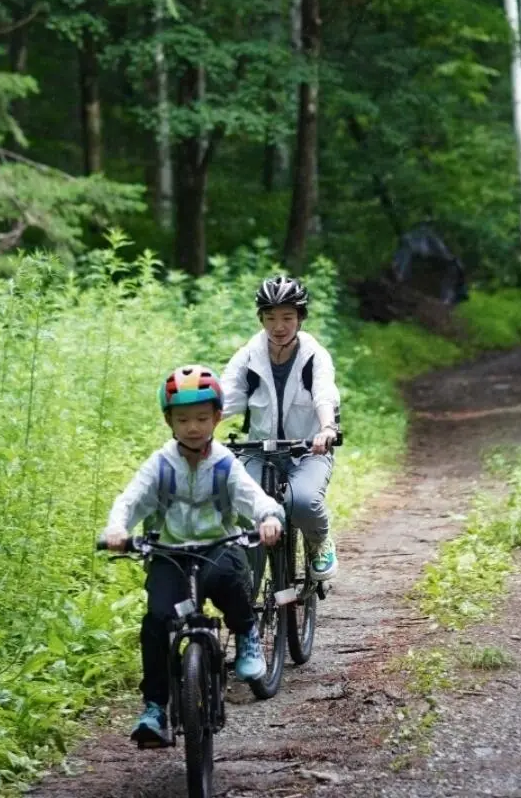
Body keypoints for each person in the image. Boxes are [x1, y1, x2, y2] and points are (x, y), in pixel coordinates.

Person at [102, 365, 284, 747]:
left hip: (217, 548)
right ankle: (154, 707)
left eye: (202, 418)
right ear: (169, 420)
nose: (193, 427)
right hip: (171, 555)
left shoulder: (224, 463)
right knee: (157, 621)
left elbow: (254, 498)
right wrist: (118, 529)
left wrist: (268, 517)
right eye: (182, 419)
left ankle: (247, 633)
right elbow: (130, 499)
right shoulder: (160, 464)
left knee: (231, 579)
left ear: (218, 417)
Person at [220, 275, 340, 582]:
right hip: (260, 450)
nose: (279, 326)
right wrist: (197, 429)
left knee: (301, 502)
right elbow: (226, 398)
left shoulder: (315, 356)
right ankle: (249, 585)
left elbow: (324, 395)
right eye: (270, 318)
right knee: (249, 508)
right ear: (260, 318)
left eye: (287, 317)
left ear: (300, 318)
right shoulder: (248, 356)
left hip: (309, 450)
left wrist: (326, 429)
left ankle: (318, 542)